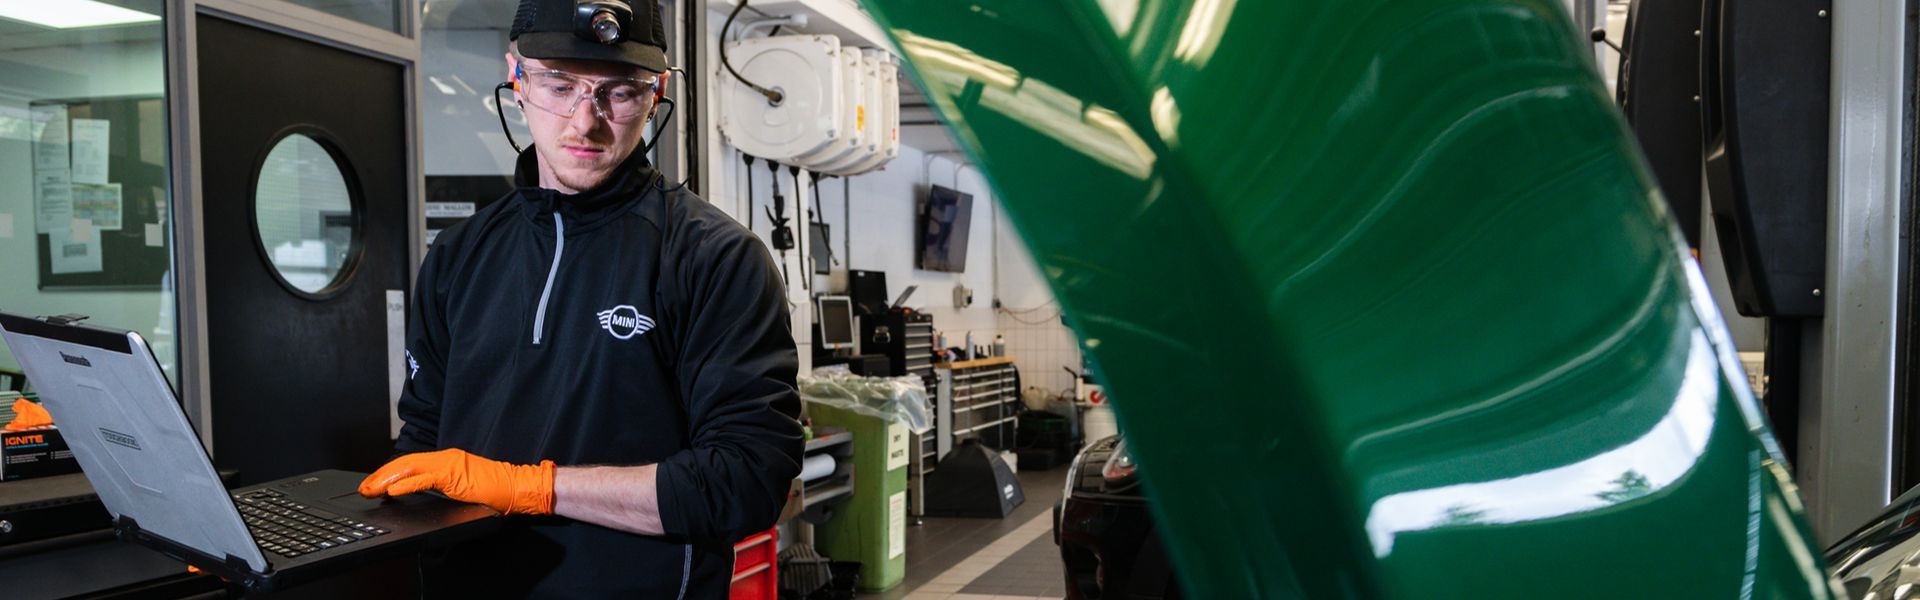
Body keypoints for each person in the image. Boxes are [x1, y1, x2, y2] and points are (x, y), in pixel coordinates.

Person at [355, 0, 803, 595]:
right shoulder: (458, 256)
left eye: (619, 92)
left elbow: (745, 482)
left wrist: (531, 488)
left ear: (657, 94)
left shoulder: (713, 258)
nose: (584, 122)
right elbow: (424, 447)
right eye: (559, 85)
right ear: (517, 79)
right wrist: (295, 550)